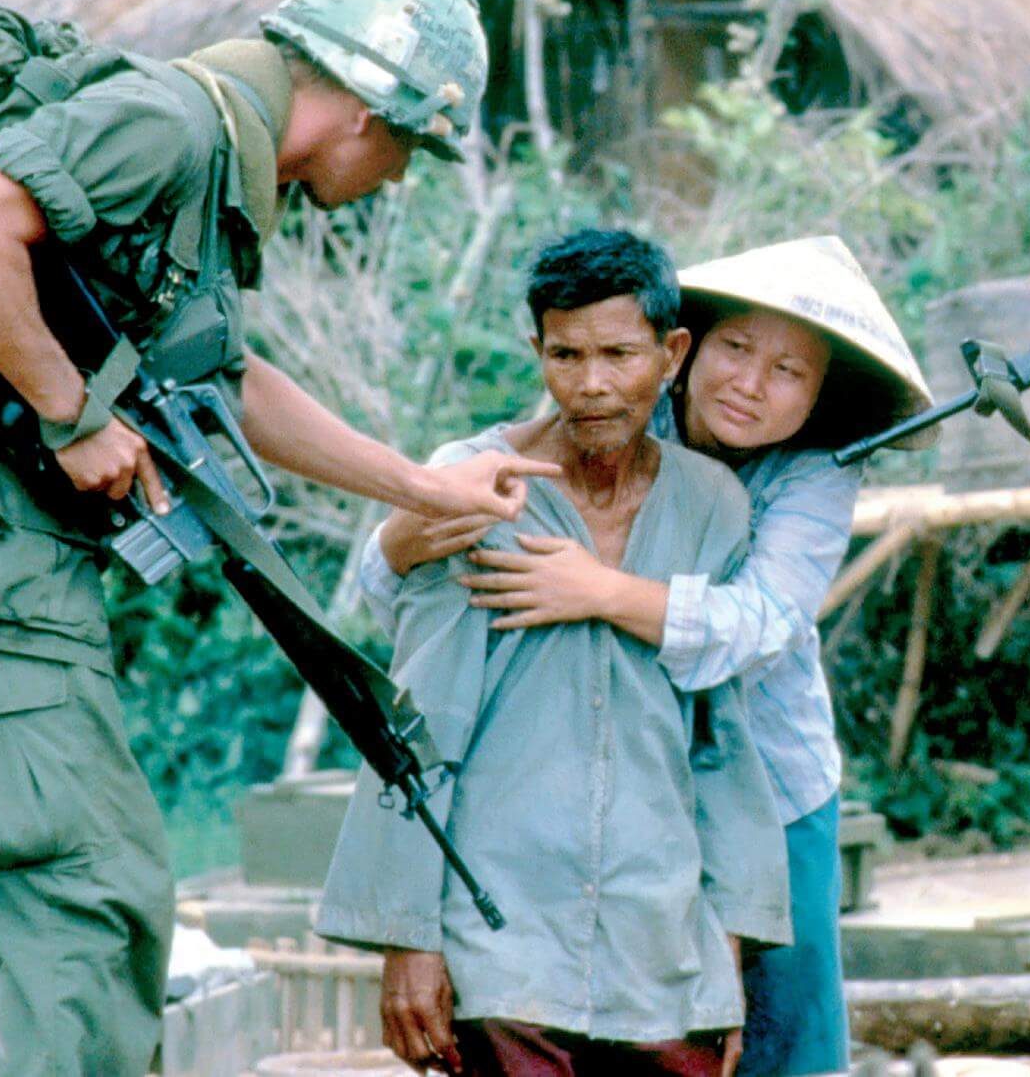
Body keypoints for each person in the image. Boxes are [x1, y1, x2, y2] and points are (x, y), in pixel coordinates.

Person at [0, 0, 555, 1077]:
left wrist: (424, 486)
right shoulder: (170, 124)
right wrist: (69, 410)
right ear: (362, 112)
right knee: (89, 923)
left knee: (109, 915)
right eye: (408, 148)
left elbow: (226, 380)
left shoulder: (207, 172)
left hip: (9, 580)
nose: (398, 176)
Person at [378, 235, 934, 1077]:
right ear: (685, 349)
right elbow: (399, 587)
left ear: (822, 394)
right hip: (607, 794)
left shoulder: (813, 474)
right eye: (737, 349)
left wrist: (598, 589)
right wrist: (407, 530)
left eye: (788, 371)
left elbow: (759, 622)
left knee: (777, 1037)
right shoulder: (615, 407)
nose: (749, 384)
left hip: (769, 778)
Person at [316, 227, 793, 1077]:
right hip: (503, 942)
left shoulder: (711, 504)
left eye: (618, 353)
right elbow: (417, 726)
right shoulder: (475, 486)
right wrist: (409, 939)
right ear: (535, 349)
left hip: (663, 948)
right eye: (565, 355)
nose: (593, 385)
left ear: (671, 353)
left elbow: (720, 739)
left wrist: (722, 948)